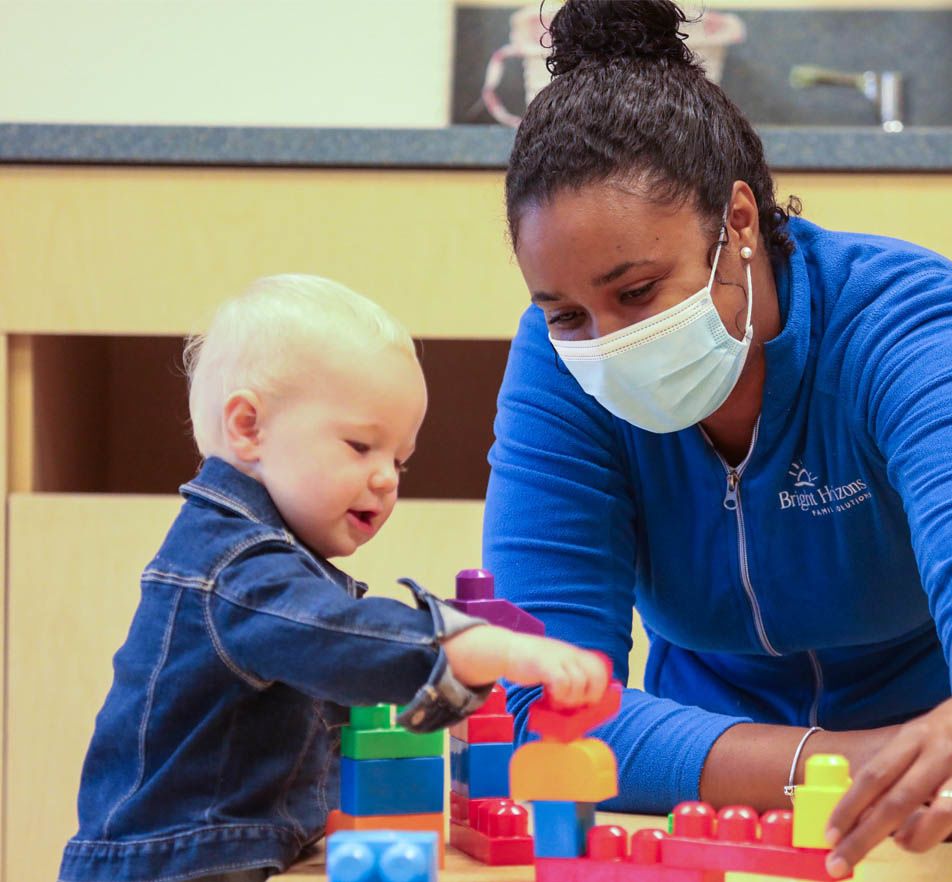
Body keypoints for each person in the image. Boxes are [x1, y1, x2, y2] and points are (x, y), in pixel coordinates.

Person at [482, 1, 952, 878]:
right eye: (564, 313)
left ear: (738, 222)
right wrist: (850, 762)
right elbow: (545, 695)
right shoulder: (558, 367)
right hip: (718, 775)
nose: (603, 341)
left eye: (636, 292)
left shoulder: (905, 318)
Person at [58, 274, 610, 882]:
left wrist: (444, 704)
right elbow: (338, 637)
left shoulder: (266, 559)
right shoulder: (234, 568)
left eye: (399, 460)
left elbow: (345, 677)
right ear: (248, 428)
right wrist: (478, 647)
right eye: (359, 446)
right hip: (173, 865)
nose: (386, 480)